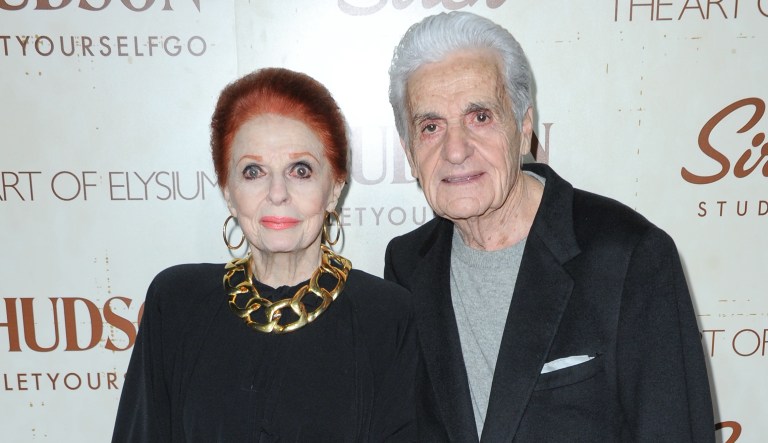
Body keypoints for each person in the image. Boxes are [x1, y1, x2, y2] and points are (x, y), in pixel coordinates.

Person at [384, 11, 714, 442]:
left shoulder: (630, 256)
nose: (456, 150)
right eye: (431, 127)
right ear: (409, 152)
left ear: (523, 128)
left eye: (480, 117)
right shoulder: (407, 266)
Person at [112, 67, 417, 442]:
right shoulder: (176, 303)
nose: (277, 192)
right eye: (253, 171)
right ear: (228, 190)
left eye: (300, 170)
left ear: (335, 188)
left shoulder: (386, 317)